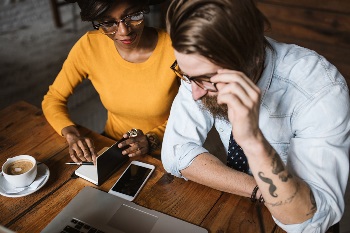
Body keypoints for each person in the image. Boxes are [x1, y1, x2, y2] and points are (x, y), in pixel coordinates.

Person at [161, 0, 350, 232]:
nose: (195, 93)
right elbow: (175, 153)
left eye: (205, 79)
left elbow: (310, 222)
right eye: (187, 75)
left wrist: (253, 141)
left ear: (251, 59)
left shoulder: (319, 89)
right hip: (246, 206)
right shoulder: (199, 72)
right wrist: (260, 190)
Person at [42, 0, 179, 164]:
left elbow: (196, 112)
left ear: (143, 8)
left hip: (167, 149)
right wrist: (71, 134)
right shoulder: (90, 46)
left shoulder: (175, 49)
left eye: (133, 16)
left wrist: (152, 139)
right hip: (113, 145)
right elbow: (54, 98)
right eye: (108, 23)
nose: (124, 31)